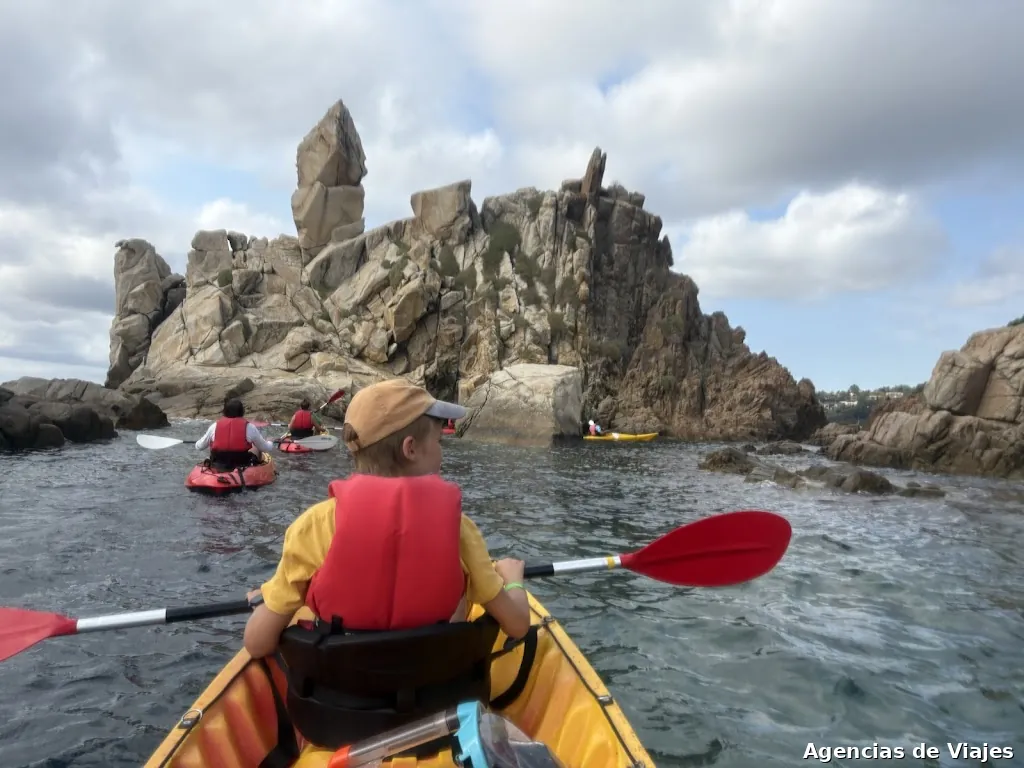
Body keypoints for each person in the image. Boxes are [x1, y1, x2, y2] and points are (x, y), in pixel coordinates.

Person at [241, 378, 532, 749]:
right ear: (411, 448)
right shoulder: (460, 530)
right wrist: (513, 580)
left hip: (334, 723)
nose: (441, 455)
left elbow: (256, 643)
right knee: (465, 595)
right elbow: (518, 625)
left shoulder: (314, 526)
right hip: (438, 720)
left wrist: (268, 600)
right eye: (438, 443)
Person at [195, 398, 277, 469]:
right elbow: (266, 448)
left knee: (213, 446)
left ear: (224, 412)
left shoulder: (214, 426)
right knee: (255, 447)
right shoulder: (250, 427)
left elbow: (199, 446)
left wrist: (209, 440)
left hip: (219, 464)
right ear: (242, 412)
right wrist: (270, 441)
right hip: (241, 464)